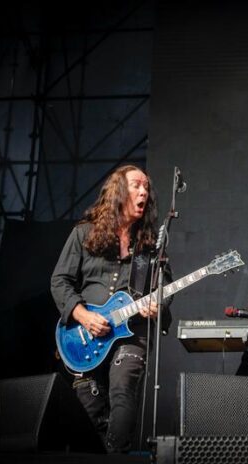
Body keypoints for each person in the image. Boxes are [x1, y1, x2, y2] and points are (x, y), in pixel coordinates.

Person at [50, 165, 172, 453]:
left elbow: (164, 286)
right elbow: (59, 280)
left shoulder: (150, 246)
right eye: (136, 185)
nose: (144, 192)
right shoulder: (84, 233)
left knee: (123, 387)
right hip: (84, 333)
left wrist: (157, 303)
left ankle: (117, 454)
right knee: (88, 405)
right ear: (117, 191)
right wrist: (82, 315)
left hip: (133, 332)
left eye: (146, 187)